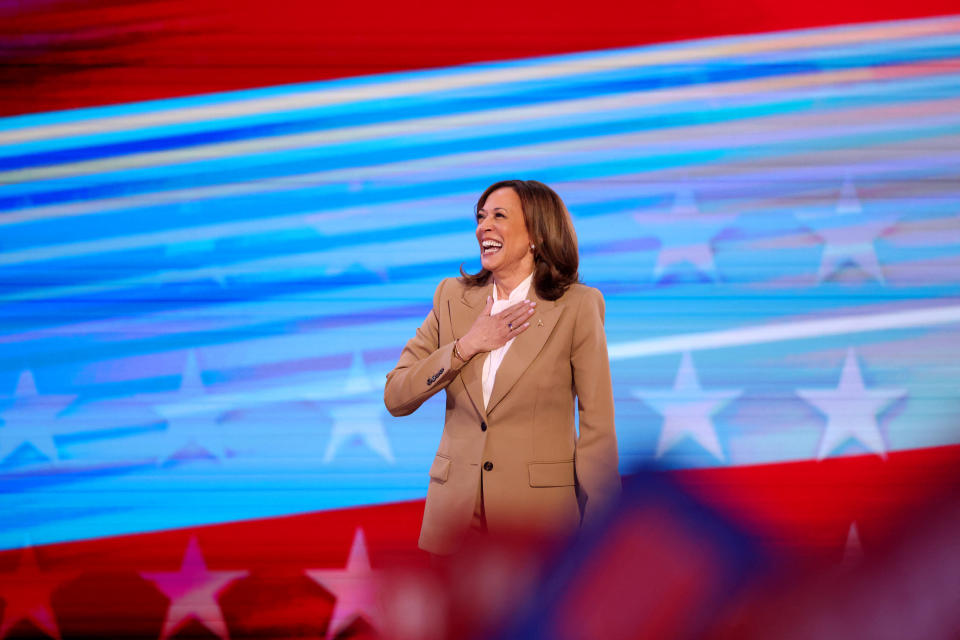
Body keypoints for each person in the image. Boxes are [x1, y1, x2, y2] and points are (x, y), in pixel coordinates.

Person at [384, 179, 620, 555]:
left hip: (537, 529)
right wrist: (465, 347)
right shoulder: (451, 297)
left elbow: (597, 432)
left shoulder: (578, 306)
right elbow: (396, 396)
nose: (483, 227)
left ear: (536, 236)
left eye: (498, 216)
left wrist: (600, 533)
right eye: (480, 217)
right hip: (454, 528)